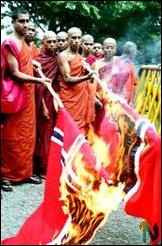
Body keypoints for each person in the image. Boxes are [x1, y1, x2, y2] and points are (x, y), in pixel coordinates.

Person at [1, 8, 51, 192]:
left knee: (28, 135)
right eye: (21, 21)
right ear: (13, 23)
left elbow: (26, 62)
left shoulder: (27, 45)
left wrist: (34, 64)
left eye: (27, 21)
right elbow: (14, 73)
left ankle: (24, 172)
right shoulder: (10, 42)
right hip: (15, 96)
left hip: (28, 96)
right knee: (12, 136)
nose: (25, 24)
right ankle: (6, 174)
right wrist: (39, 80)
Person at [57, 27, 95, 137]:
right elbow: (67, 79)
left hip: (81, 99)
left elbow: (87, 78)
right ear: (68, 39)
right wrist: (86, 77)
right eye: (73, 38)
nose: (77, 40)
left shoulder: (80, 57)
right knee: (68, 127)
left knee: (80, 130)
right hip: (70, 99)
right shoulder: (63, 56)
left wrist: (89, 73)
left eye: (79, 38)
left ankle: (78, 153)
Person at [34, 31, 59, 177]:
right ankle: (41, 167)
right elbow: (37, 86)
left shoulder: (56, 59)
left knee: (50, 133)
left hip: (53, 98)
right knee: (43, 133)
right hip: (42, 99)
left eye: (54, 41)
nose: (52, 44)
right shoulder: (39, 60)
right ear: (42, 43)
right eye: (49, 42)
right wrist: (43, 106)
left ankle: (48, 164)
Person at [92, 38, 133, 103]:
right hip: (101, 98)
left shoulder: (120, 62)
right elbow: (93, 84)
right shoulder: (96, 64)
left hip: (117, 99)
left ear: (115, 50)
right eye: (107, 48)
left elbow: (126, 83)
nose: (109, 50)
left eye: (112, 48)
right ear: (102, 49)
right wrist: (94, 98)